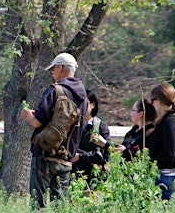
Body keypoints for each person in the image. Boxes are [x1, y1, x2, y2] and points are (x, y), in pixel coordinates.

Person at [21, 52, 88, 208]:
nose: (52, 73)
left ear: (60, 68)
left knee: (38, 205)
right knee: (59, 206)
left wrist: (27, 116)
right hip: (66, 160)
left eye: (53, 70)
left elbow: (38, 122)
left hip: (45, 156)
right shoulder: (83, 97)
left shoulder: (54, 91)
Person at [146, 82, 175, 200]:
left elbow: (170, 153)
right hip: (165, 176)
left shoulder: (171, 122)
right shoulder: (169, 120)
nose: (152, 103)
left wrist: (150, 161)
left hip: (166, 178)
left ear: (160, 100)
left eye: (153, 100)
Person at [71, 89, 111, 187]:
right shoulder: (71, 125)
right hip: (72, 176)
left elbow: (104, 154)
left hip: (93, 178)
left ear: (93, 105)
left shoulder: (99, 126)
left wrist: (80, 156)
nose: (80, 107)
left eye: (84, 103)